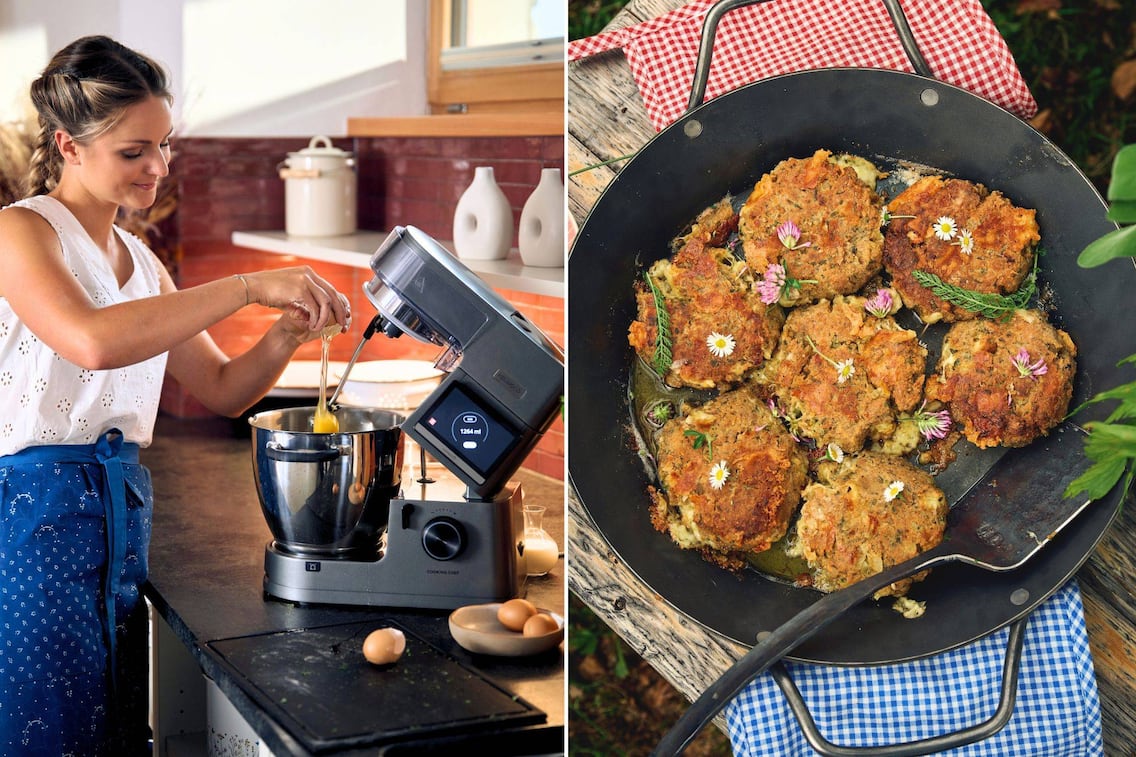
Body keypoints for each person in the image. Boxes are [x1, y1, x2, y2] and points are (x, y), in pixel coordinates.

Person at [0, 35, 351, 755]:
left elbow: (224, 387)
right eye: (134, 151)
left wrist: (285, 332)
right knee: (46, 727)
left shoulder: (142, 263)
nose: (157, 167)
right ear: (68, 146)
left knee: (114, 725)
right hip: (28, 520)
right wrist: (249, 284)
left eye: (164, 146)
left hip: (120, 512)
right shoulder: (19, 232)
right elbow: (91, 340)